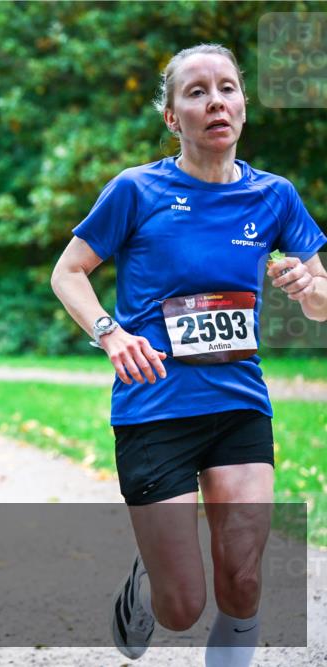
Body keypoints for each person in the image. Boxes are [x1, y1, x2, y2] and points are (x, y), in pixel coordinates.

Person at [50, 43, 326, 666]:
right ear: (173, 116)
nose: (215, 101)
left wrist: (312, 287)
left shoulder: (274, 196)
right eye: (196, 92)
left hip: (239, 405)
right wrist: (111, 334)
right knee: (182, 607)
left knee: (245, 577)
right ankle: (148, 584)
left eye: (226, 88)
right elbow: (68, 273)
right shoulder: (135, 190)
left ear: (243, 106)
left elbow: (322, 303)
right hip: (155, 409)